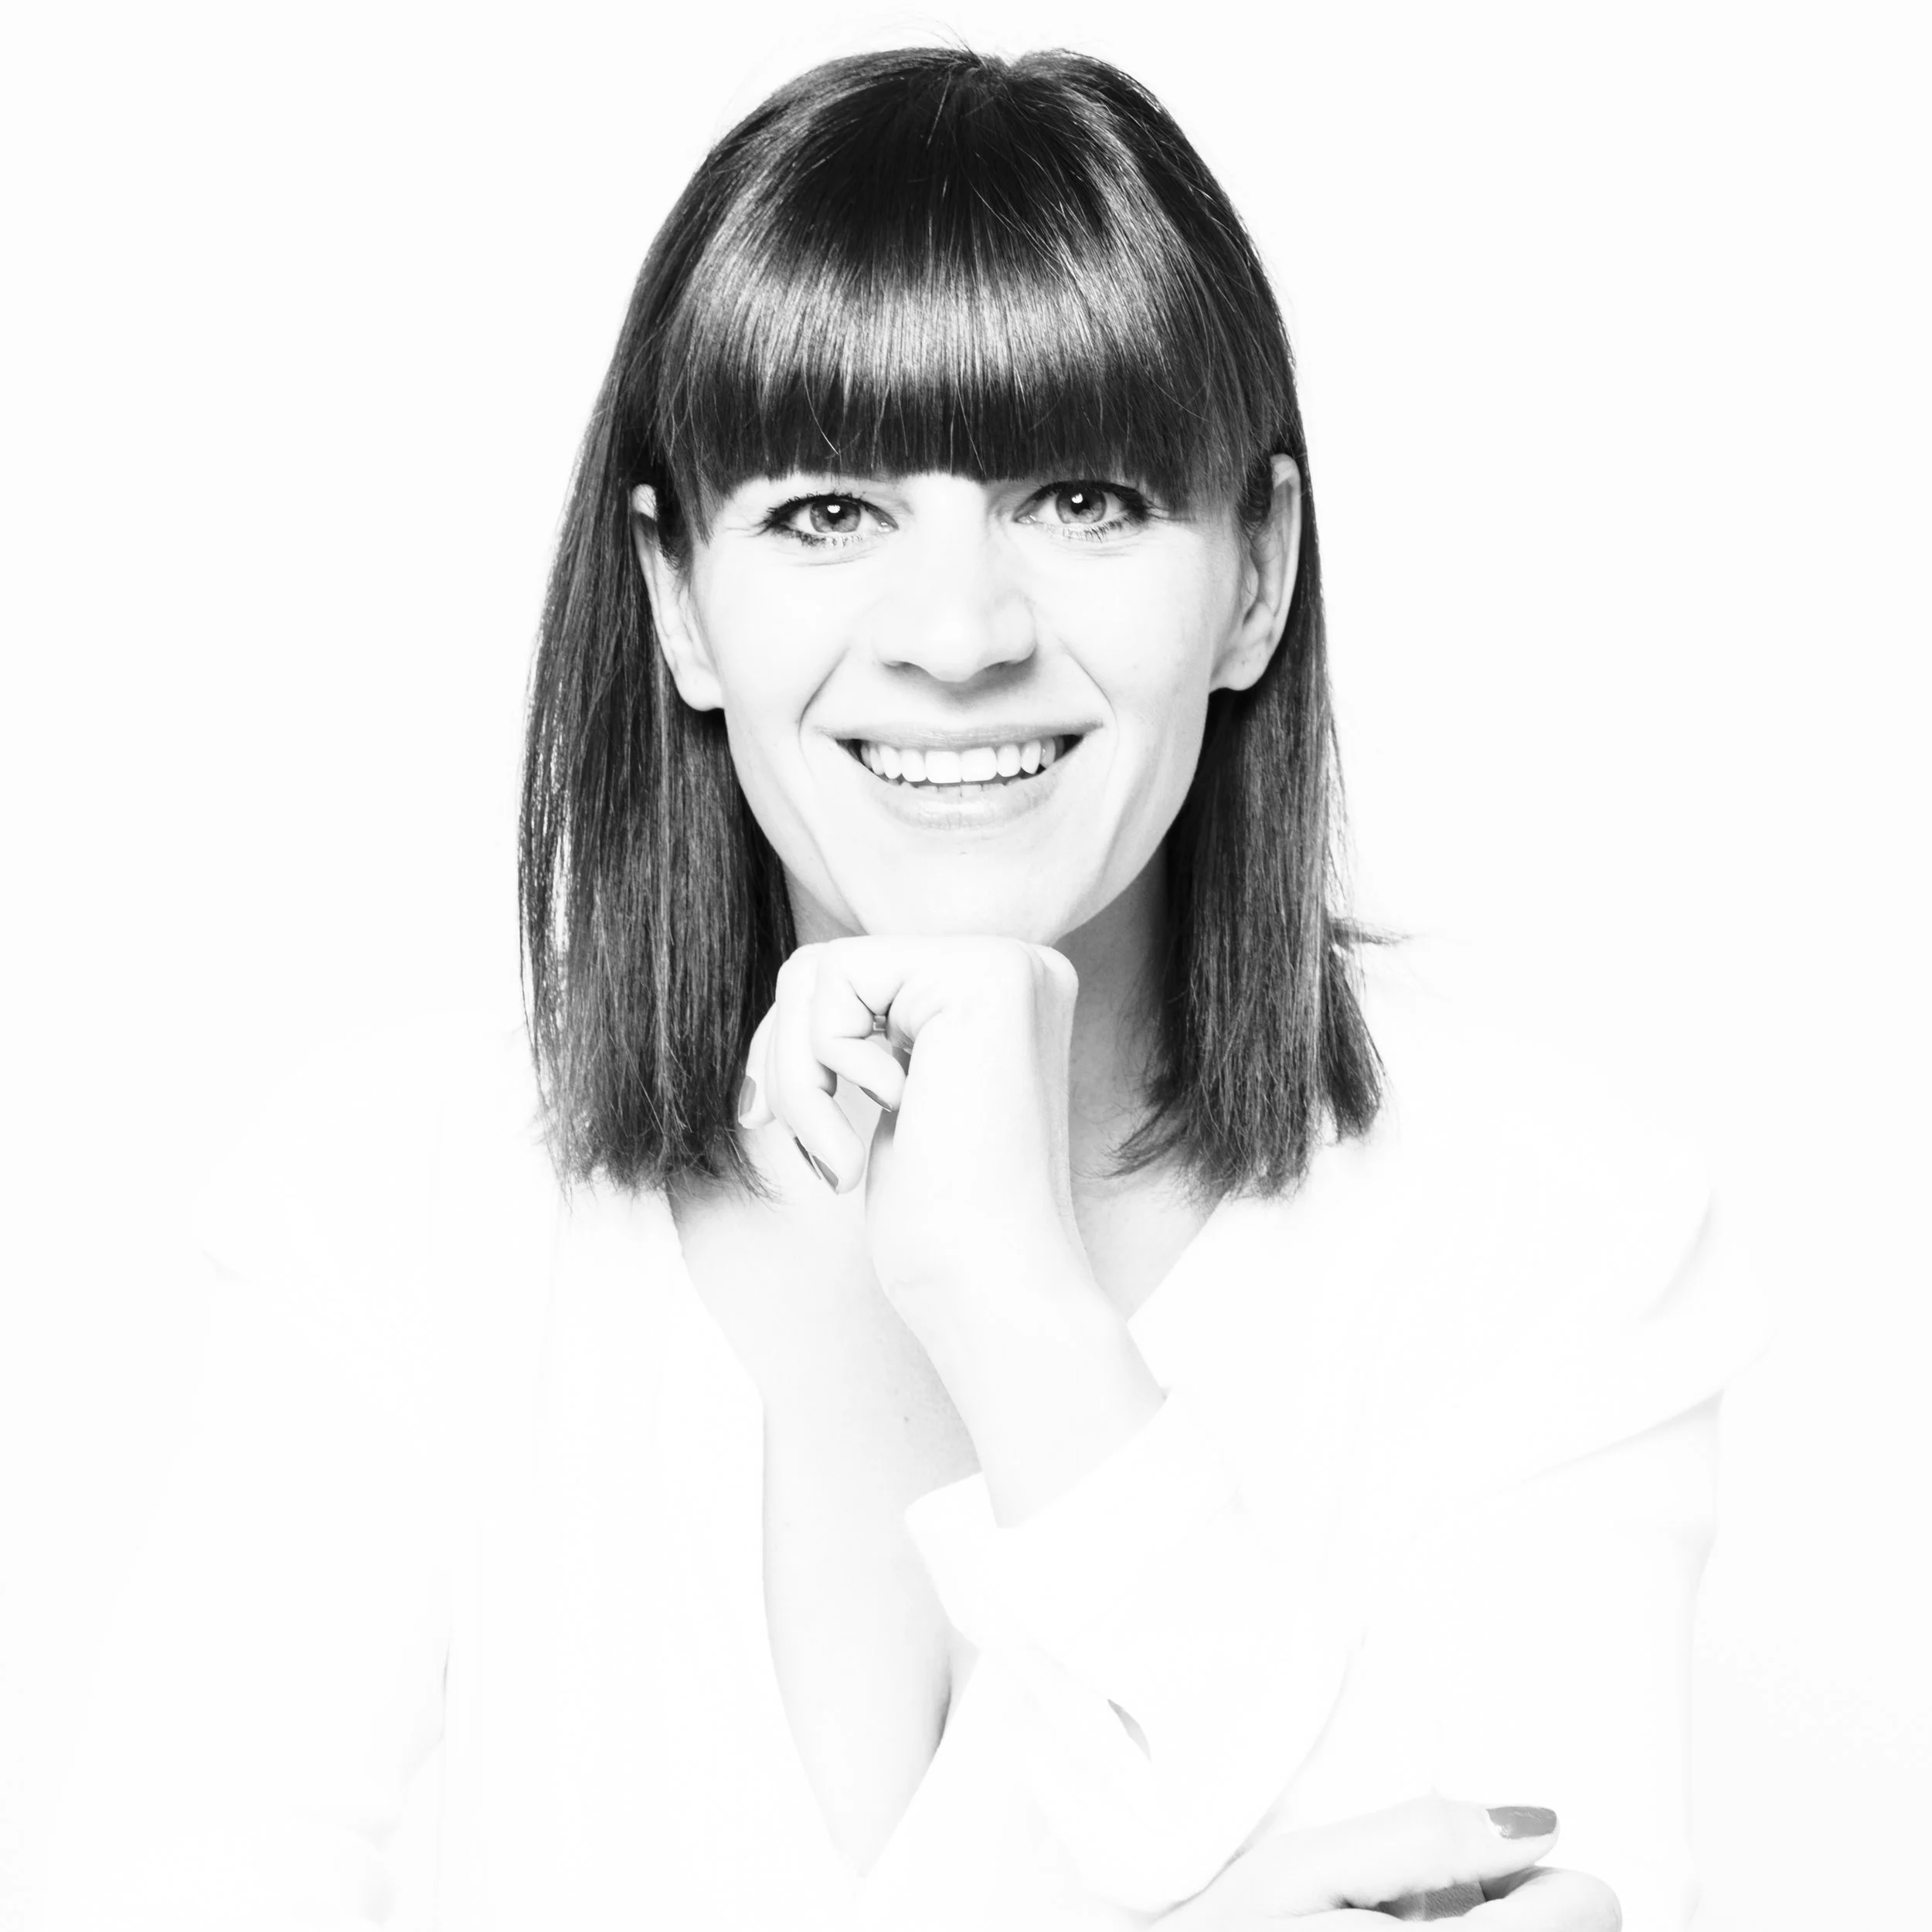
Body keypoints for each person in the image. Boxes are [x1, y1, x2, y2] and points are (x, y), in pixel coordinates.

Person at [36, 46, 1760, 1932]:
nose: (960, 633)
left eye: (1085, 499)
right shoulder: (398, 1194)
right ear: (678, 595)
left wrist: (1018, 1310)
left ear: (1253, 572)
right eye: (827, 513)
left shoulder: (1539, 1226)